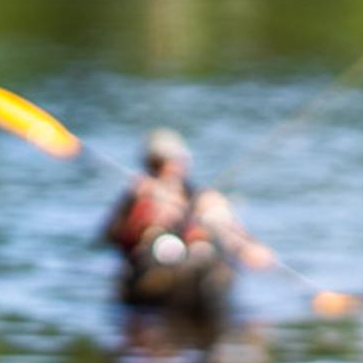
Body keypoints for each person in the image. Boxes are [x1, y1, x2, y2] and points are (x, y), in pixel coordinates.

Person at [100, 129, 263, 308]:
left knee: (207, 244)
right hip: (152, 270)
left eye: (173, 161)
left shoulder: (203, 198)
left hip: (198, 260)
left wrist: (247, 246)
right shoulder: (137, 197)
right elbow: (110, 236)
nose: (169, 168)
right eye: (158, 163)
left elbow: (232, 230)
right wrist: (133, 203)